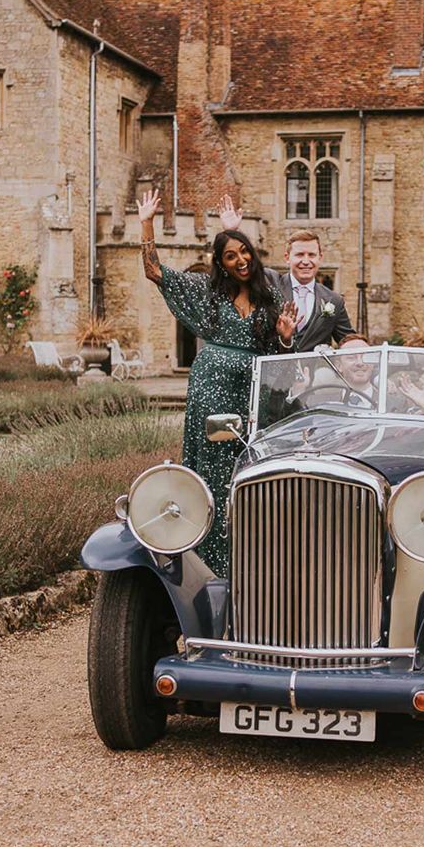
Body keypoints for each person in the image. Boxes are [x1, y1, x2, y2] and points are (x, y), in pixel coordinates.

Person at [138, 189, 297, 576]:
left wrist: (287, 335)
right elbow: (154, 272)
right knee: (212, 468)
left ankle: (254, 556)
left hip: (252, 392)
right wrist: (147, 222)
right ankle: (210, 562)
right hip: (211, 389)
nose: (240, 260)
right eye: (231, 256)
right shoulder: (208, 293)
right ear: (221, 265)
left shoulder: (270, 294)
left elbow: (279, 354)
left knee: (249, 466)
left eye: (244, 253)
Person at [268, 230, 354, 351]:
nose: (306, 261)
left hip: (314, 368)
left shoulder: (334, 300)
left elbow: (347, 340)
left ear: (320, 257)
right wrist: (231, 230)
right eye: (299, 255)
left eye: (312, 255)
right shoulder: (271, 283)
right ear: (287, 258)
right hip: (273, 367)